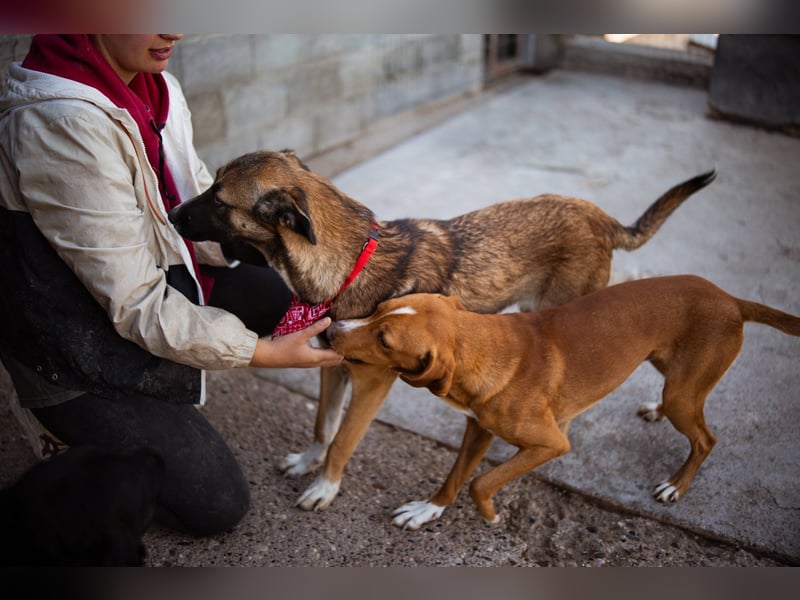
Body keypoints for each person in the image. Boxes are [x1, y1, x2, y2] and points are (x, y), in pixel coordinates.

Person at [0, 34, 342, 536]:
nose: (173, 30)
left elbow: (186, 208)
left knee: (312, 298)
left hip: (157, 282)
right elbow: (136, 301)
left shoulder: (156, 85)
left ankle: (160, 381)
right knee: (217, 503)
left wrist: (280, 245)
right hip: (72, 343)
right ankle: (64, 424)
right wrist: (263, 353)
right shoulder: (59, 123)